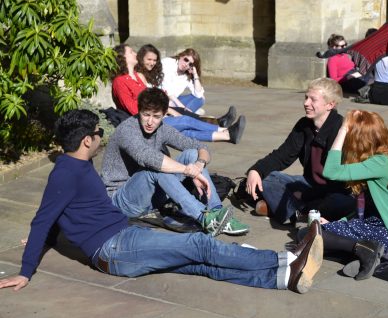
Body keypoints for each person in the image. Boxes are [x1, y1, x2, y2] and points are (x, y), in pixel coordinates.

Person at [0, 109, 324, 294]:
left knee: (200, 264)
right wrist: (27, 270)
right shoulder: (66, 173)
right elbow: (45, 217)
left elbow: (60, 213)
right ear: (88, 140)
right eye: (100, 131)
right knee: (201, 246)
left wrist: (51, 237)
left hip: (121, 241)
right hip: (115, 248)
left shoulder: (76, 166)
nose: (102, 134)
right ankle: (285, 260)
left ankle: (283, 278)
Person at [102, 87, 249, 236]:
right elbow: (151, 159)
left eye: (156, 116)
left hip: (151, 195)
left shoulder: (162, 128)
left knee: (191, 154)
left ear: (165, 115)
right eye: (146, 115)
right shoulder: (127, 131)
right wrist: (187, 170)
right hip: (123, 199)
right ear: (138, 111)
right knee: (156, 168)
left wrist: (198, 165)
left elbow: (200, 147)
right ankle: (204, 217)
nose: (150, 122)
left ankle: (216, 211)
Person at [246, 78, 355, 223]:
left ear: (330, 104)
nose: (306, 103)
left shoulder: (339, 128)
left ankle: (288, 210)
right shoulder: (304, 125)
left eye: (312, 100)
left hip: (334, 190)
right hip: (309, 185)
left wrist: (303, 196)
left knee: (341, 201)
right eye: (306, 97)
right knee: (269, 178)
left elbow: (339, 181)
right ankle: (298, 213)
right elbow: (282, 156)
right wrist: (256, 170)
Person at [314, 110, 388, 280]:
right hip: (372, 225)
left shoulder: (381, 162)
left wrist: (342, 130)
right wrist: (339, 222)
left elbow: (331, 171)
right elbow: (364, 208)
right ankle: (368, 255)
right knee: (314, 235)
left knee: (310, 236)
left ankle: (368, 253)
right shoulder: (374, 160)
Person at [112, 44, 246, 144]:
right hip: (146, 124)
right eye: (130, 52)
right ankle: (224, 129)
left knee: (185, 130)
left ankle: (227, 136)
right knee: (185, 120)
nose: (135, 53)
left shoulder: (136, 76)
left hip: (156, 115)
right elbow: (133, 109)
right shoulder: (120, 82)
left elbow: (153, 96)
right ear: (122, 58)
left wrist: (167, 109)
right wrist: (163, 112)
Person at [161, 48, 206, 115]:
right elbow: (167, 90)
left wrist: (195, 74)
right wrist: (183, 108)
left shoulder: (187, 74)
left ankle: (183, 115)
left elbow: (199, 94)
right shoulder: (167, 63)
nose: (186, 64)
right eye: (186, 60)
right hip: (160, 101)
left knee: (201, 99)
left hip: (173, 102)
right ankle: (187, 114)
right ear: (181, 56)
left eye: (190, 64)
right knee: (184, 110)